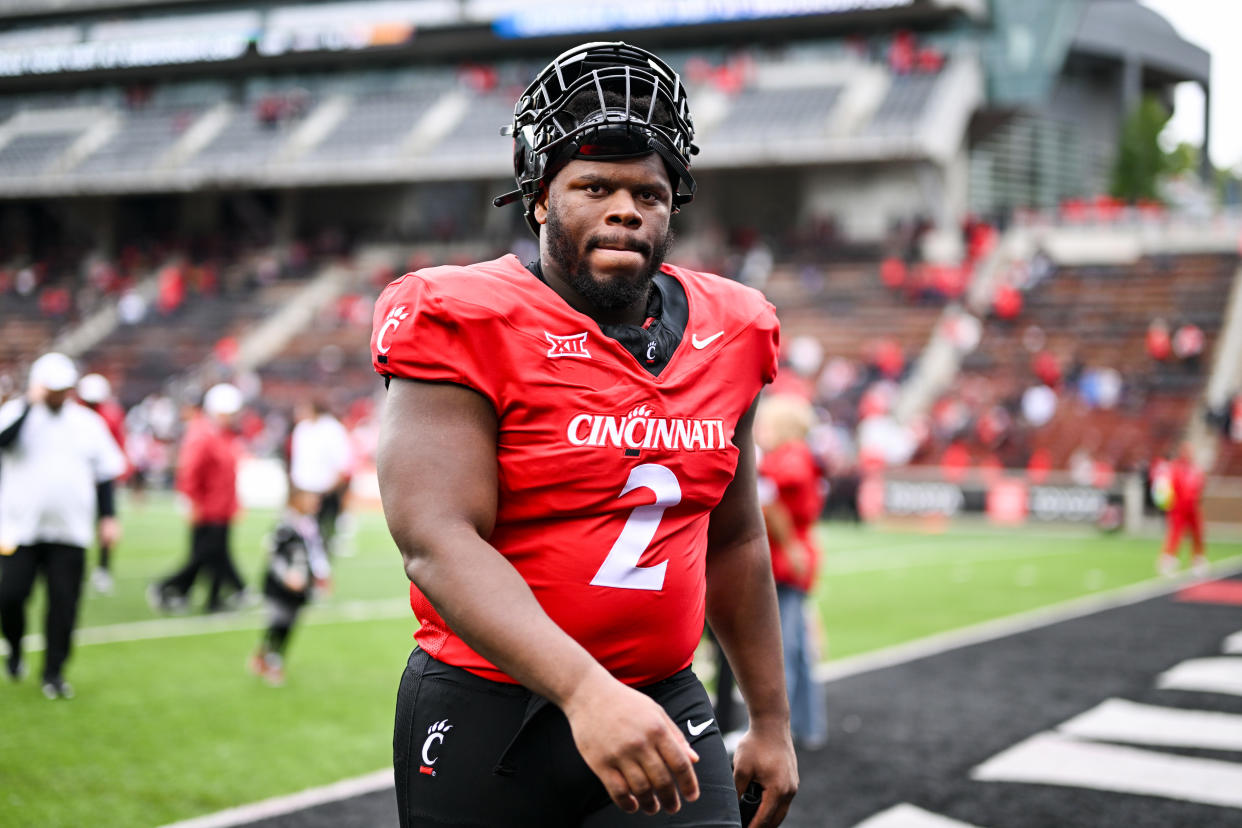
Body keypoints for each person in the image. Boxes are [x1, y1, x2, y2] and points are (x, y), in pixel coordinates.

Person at [372, 42, 797, 828]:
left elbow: (733, 537)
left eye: (650, 192)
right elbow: (436, 538)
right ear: (538, 198)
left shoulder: (733, 329)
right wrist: (583, 690)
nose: (627, 208)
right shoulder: (462, 313)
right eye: (594, 186)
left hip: (664, 698)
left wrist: (770, 721)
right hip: (491, 710)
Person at [0, 353, 125, 699]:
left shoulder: (88, 423)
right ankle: (14, 648)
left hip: (70, 533)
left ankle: (53, 672)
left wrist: (108, 517)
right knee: (10, 597)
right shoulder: (16, 414)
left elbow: (105, 475)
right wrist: (28, 406)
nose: (58, 395)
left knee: (64, 605)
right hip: (19, 530)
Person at [754, 394, 828, 750]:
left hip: (786, 558)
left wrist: (790, 545)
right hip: (793, 555)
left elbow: (772, 496)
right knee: (796, 647)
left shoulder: (790, 456)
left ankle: (782, 729)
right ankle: (807, 726)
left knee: (785, 647)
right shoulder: (796, 453)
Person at [148, 383, 249, 613]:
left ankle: (213, 600)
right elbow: (190, 472)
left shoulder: (224, 436)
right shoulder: (203, 434)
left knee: (216, 556)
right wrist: (191, 501)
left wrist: (235, 504)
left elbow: (228, 477)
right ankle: (167, 586)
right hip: (207, 509)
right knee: (204, 556)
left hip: (222, 509)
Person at [248, 487, 331, 687]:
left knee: (291, 622)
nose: (314, 502)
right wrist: (286, 575)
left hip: (301, 588)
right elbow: (273, 554)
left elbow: (316, 553)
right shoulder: (284, 526)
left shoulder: (310, 525)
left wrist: (323, 575)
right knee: (279, 621)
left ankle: (264, 654)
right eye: (310, 498)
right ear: (295, 500)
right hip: (280, 587)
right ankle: (273, 661)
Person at [77, 372, 129, 594]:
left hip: (102, 479)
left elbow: (117, 449)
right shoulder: (75, 416)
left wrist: (116, 472)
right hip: (78, 480)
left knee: (106, 526)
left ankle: (103, 568)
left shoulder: (111, 416)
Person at [288, 399, 352, 556]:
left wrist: (331, 487)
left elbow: (341, 460)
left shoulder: (332, 429)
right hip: (304, 489)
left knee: (323, 532)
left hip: (325, 490)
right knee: (302, 530)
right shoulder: (302, 429)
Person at [1157, 442, 1208, 577]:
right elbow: (1165, 487)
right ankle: (1167, 561)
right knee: (1175, 534)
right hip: (1178, 508)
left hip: (1192, 507)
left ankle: (1198, 560)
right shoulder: (1174, 468)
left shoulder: (1195, 469)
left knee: (1197, 534)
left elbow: (1200, 486)